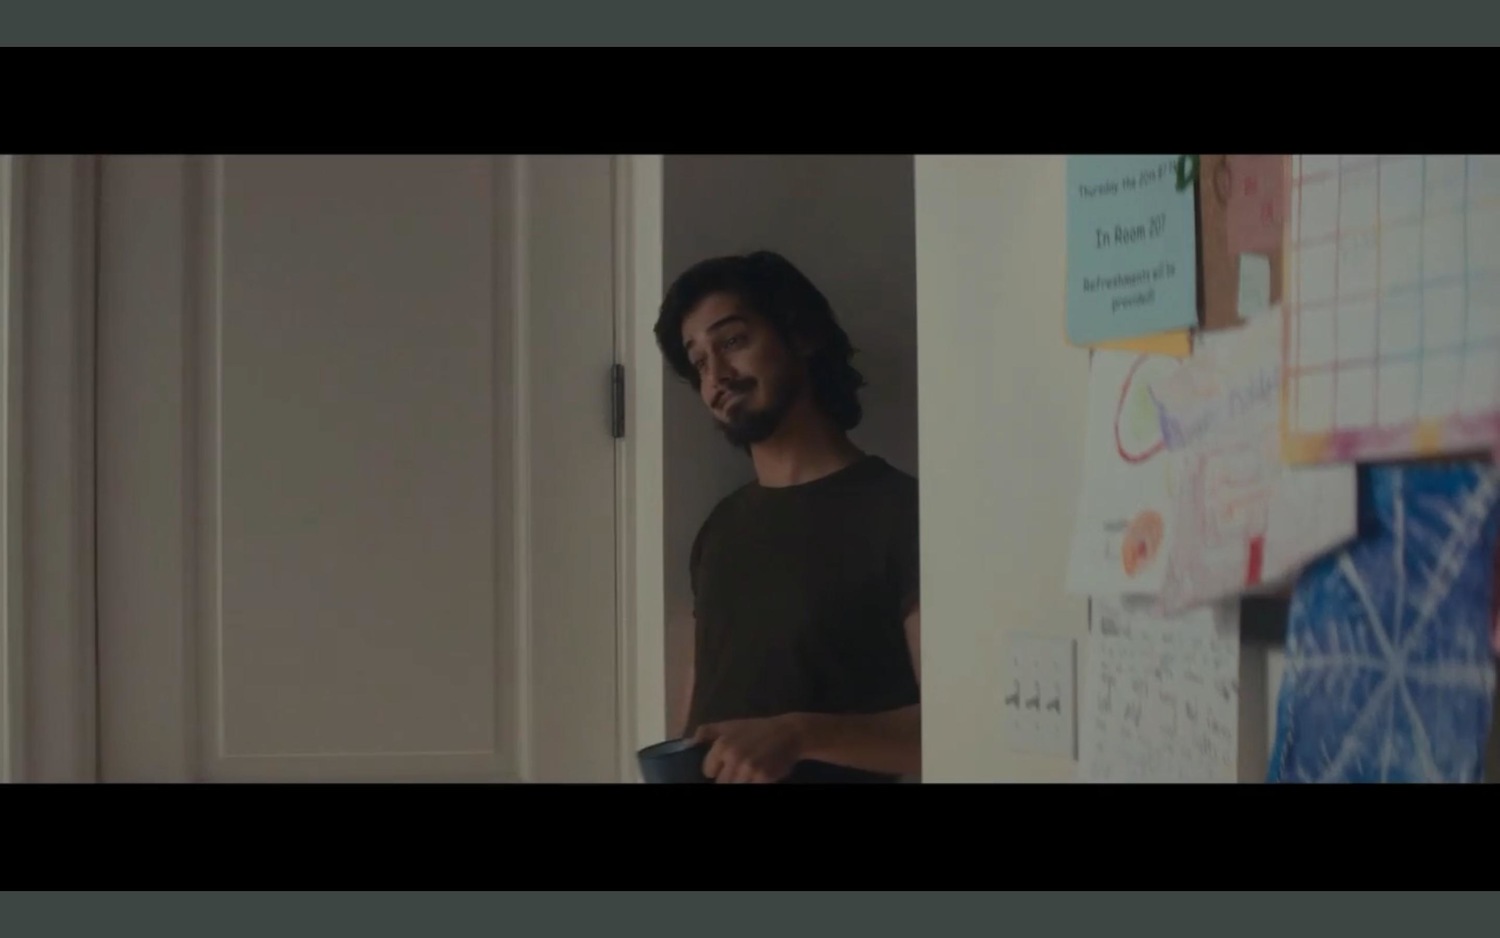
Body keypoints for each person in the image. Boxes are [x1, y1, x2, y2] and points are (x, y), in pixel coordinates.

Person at [654, 250, 921, 784]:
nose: (717, 377)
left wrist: (799, 733)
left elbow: (960, 726)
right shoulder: (720, 529)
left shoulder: (904, 513)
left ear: (802, 336)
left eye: (732, 341)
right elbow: (699, 722)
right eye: (700, 362)